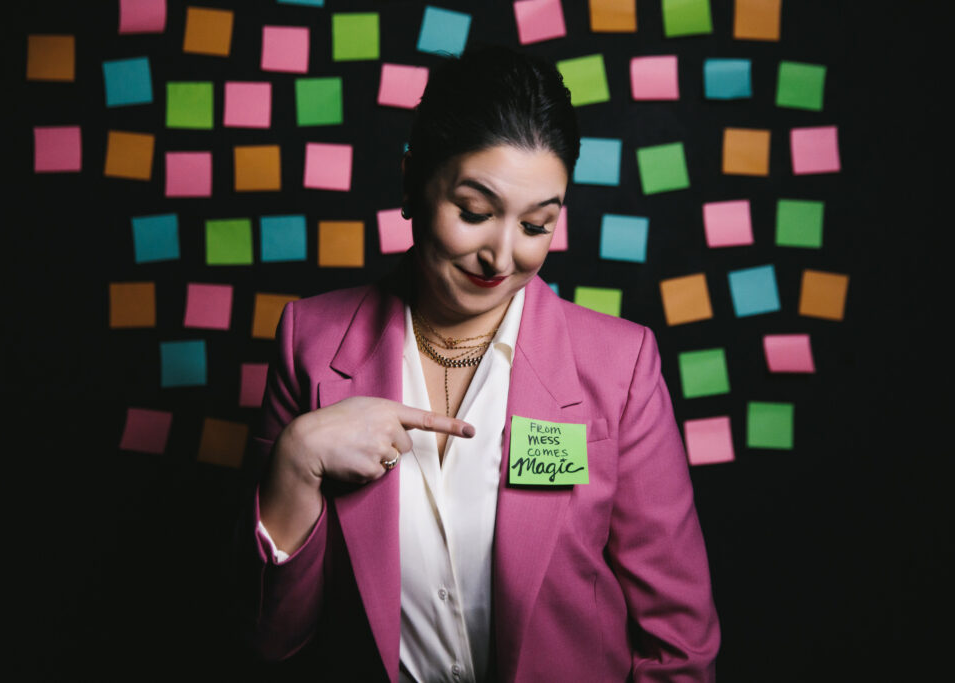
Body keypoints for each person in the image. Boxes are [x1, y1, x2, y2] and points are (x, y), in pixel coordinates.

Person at [240, 46, 720, 682]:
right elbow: (275, 643)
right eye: (474, 212)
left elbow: (680, 644)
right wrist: (296, 460)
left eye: (536, 225)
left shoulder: (621, 367)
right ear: (413, 181)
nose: (501, 256)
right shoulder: (310, 343)